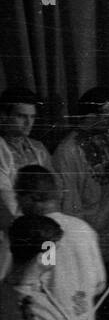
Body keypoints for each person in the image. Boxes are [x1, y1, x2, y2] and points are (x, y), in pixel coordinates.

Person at [15, 164, 107, 320]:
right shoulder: (84, 229)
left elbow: (20, 286)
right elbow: (99, 283)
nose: (17, 203)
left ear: (31, 198)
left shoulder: (28, 234)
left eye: (18, 195)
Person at [52, 87, 109, 273]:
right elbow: (70, 203)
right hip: (86, 233)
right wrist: (82, 236)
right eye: (108, 115)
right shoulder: (67, 152)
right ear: (89, 116)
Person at [0, 88, 51, 232]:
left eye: (32, 117)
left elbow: (52, 187)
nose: (29, 123)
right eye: (21, 116)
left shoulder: (38, 148)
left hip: (42, 227)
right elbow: (5, 198)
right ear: (4, 116)